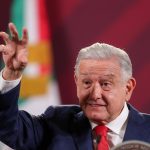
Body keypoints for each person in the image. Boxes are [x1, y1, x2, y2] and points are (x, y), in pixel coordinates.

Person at [0, 23, 150, 150]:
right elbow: (7, 127)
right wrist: (12, 74)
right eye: (87, 83)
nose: (95, 94)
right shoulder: (56, 123)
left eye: (105, 84)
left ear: (128, 88)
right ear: (76, 81)